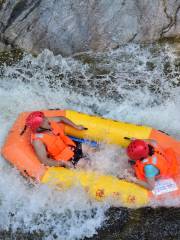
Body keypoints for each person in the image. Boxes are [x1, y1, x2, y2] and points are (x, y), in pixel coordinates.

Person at [23, 111, 94, 169]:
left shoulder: (46, 122)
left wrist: (76, 126)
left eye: (44, 118)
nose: (47, 120)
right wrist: (63, 163)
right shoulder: (37, 142)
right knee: (88, 165)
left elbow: (61, 118)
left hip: (70, 146)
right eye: (43, 120)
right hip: (66, 159)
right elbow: (44, 161)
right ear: (39, 127)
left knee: (92, 150)